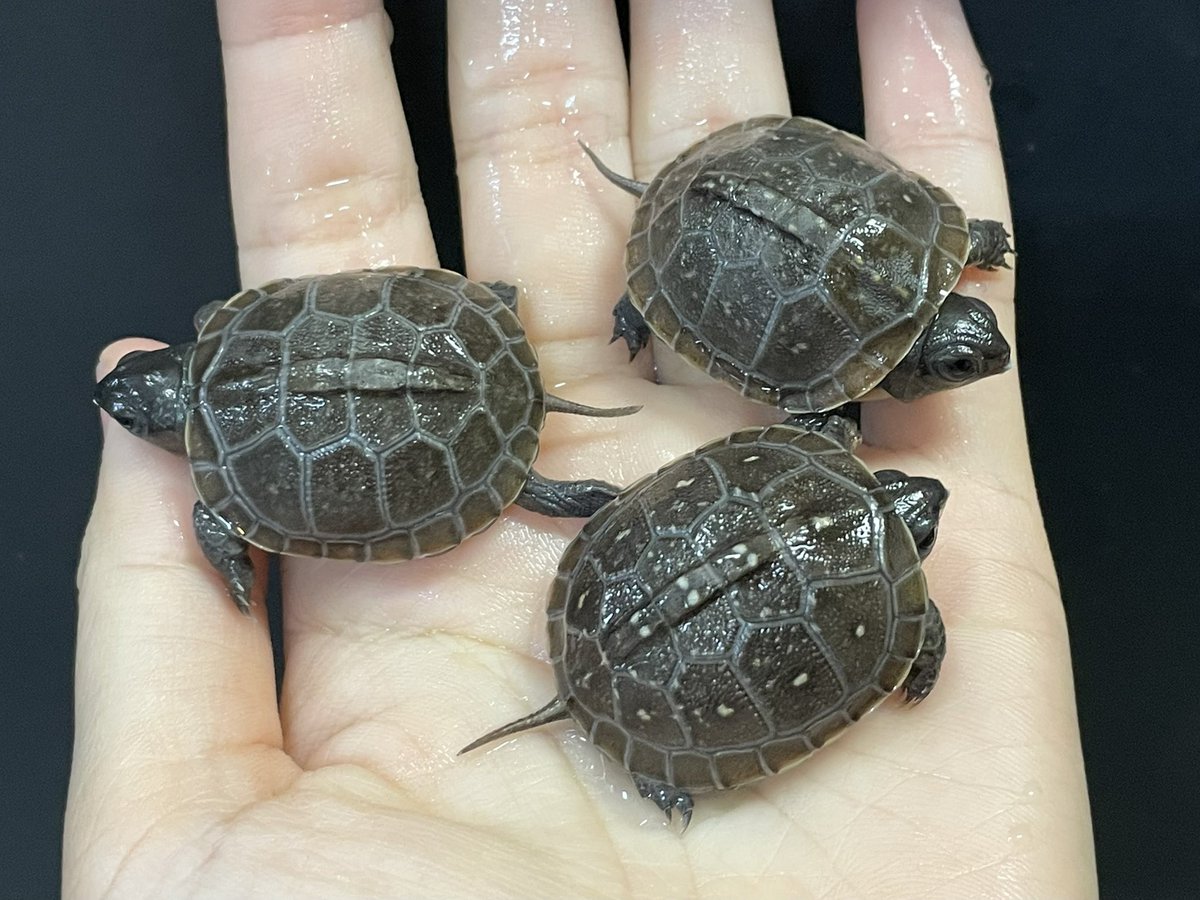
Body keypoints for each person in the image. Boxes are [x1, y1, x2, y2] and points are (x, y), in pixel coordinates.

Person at [65, 1, 1097, 895]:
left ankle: (559, 497)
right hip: (568, 380)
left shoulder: (225, 473)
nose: (923, 499)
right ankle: (555, 488)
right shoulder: (838, 479)